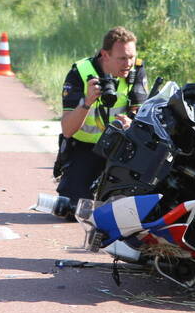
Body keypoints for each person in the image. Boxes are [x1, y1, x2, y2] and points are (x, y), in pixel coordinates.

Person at [55, 26, 148, 209]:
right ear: (105, 55)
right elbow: (67, 129)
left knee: (131, 209)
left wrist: (132, 123)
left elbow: (141, 112)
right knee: (72, 208)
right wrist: (87, 102)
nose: (128, 63)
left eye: (131, 57)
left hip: (120, 147)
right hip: (85, 148)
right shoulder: (80, 72)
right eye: (122, 58)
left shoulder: (136, 69)